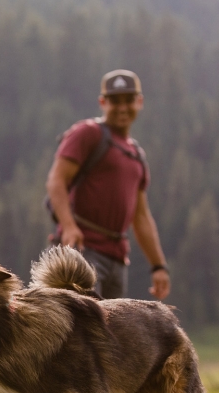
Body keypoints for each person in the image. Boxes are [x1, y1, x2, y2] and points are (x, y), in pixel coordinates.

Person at [45, 69, 170, 300]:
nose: (123, 107)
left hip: (117, 261)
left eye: (129, 100)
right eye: (115, 101)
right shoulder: (87, 133)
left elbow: (141, 217)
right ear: (102, 102)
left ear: (139, 102)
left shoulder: (136, 155)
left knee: (111, 334)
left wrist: (158, 266)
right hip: (81, 253)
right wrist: (69, 226)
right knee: (82, 331)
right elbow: (56, 180)